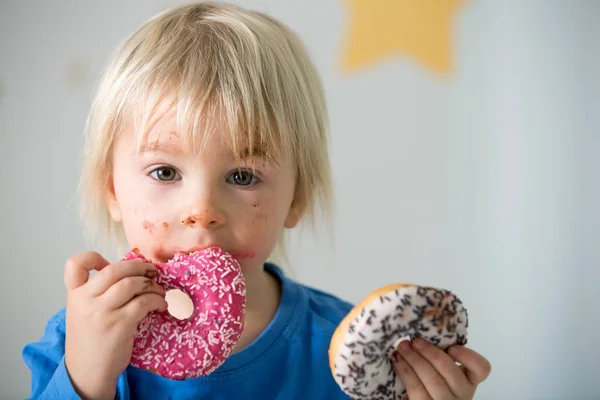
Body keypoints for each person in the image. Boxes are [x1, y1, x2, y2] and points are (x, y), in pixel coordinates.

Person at [22, 2, 491, 399]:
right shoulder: (77, 341)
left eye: (243, 175)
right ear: (112, 192)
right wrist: (86, 379)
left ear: (296, 199)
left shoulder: (346, 354)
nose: (201, 211)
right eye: (165, 171)